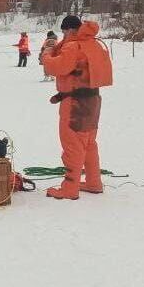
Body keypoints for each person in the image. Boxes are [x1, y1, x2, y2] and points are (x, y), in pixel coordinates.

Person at [42, 15, 113, 200]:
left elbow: (55, 67)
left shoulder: (73, 46)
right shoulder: (93, 44)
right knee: (89, 144)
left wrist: (47, 53)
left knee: (72, 144)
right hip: (93, 100)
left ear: (69, 29)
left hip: (74, 103)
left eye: (64, 31)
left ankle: (69, 188)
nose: (63, 35)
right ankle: (93, 182)